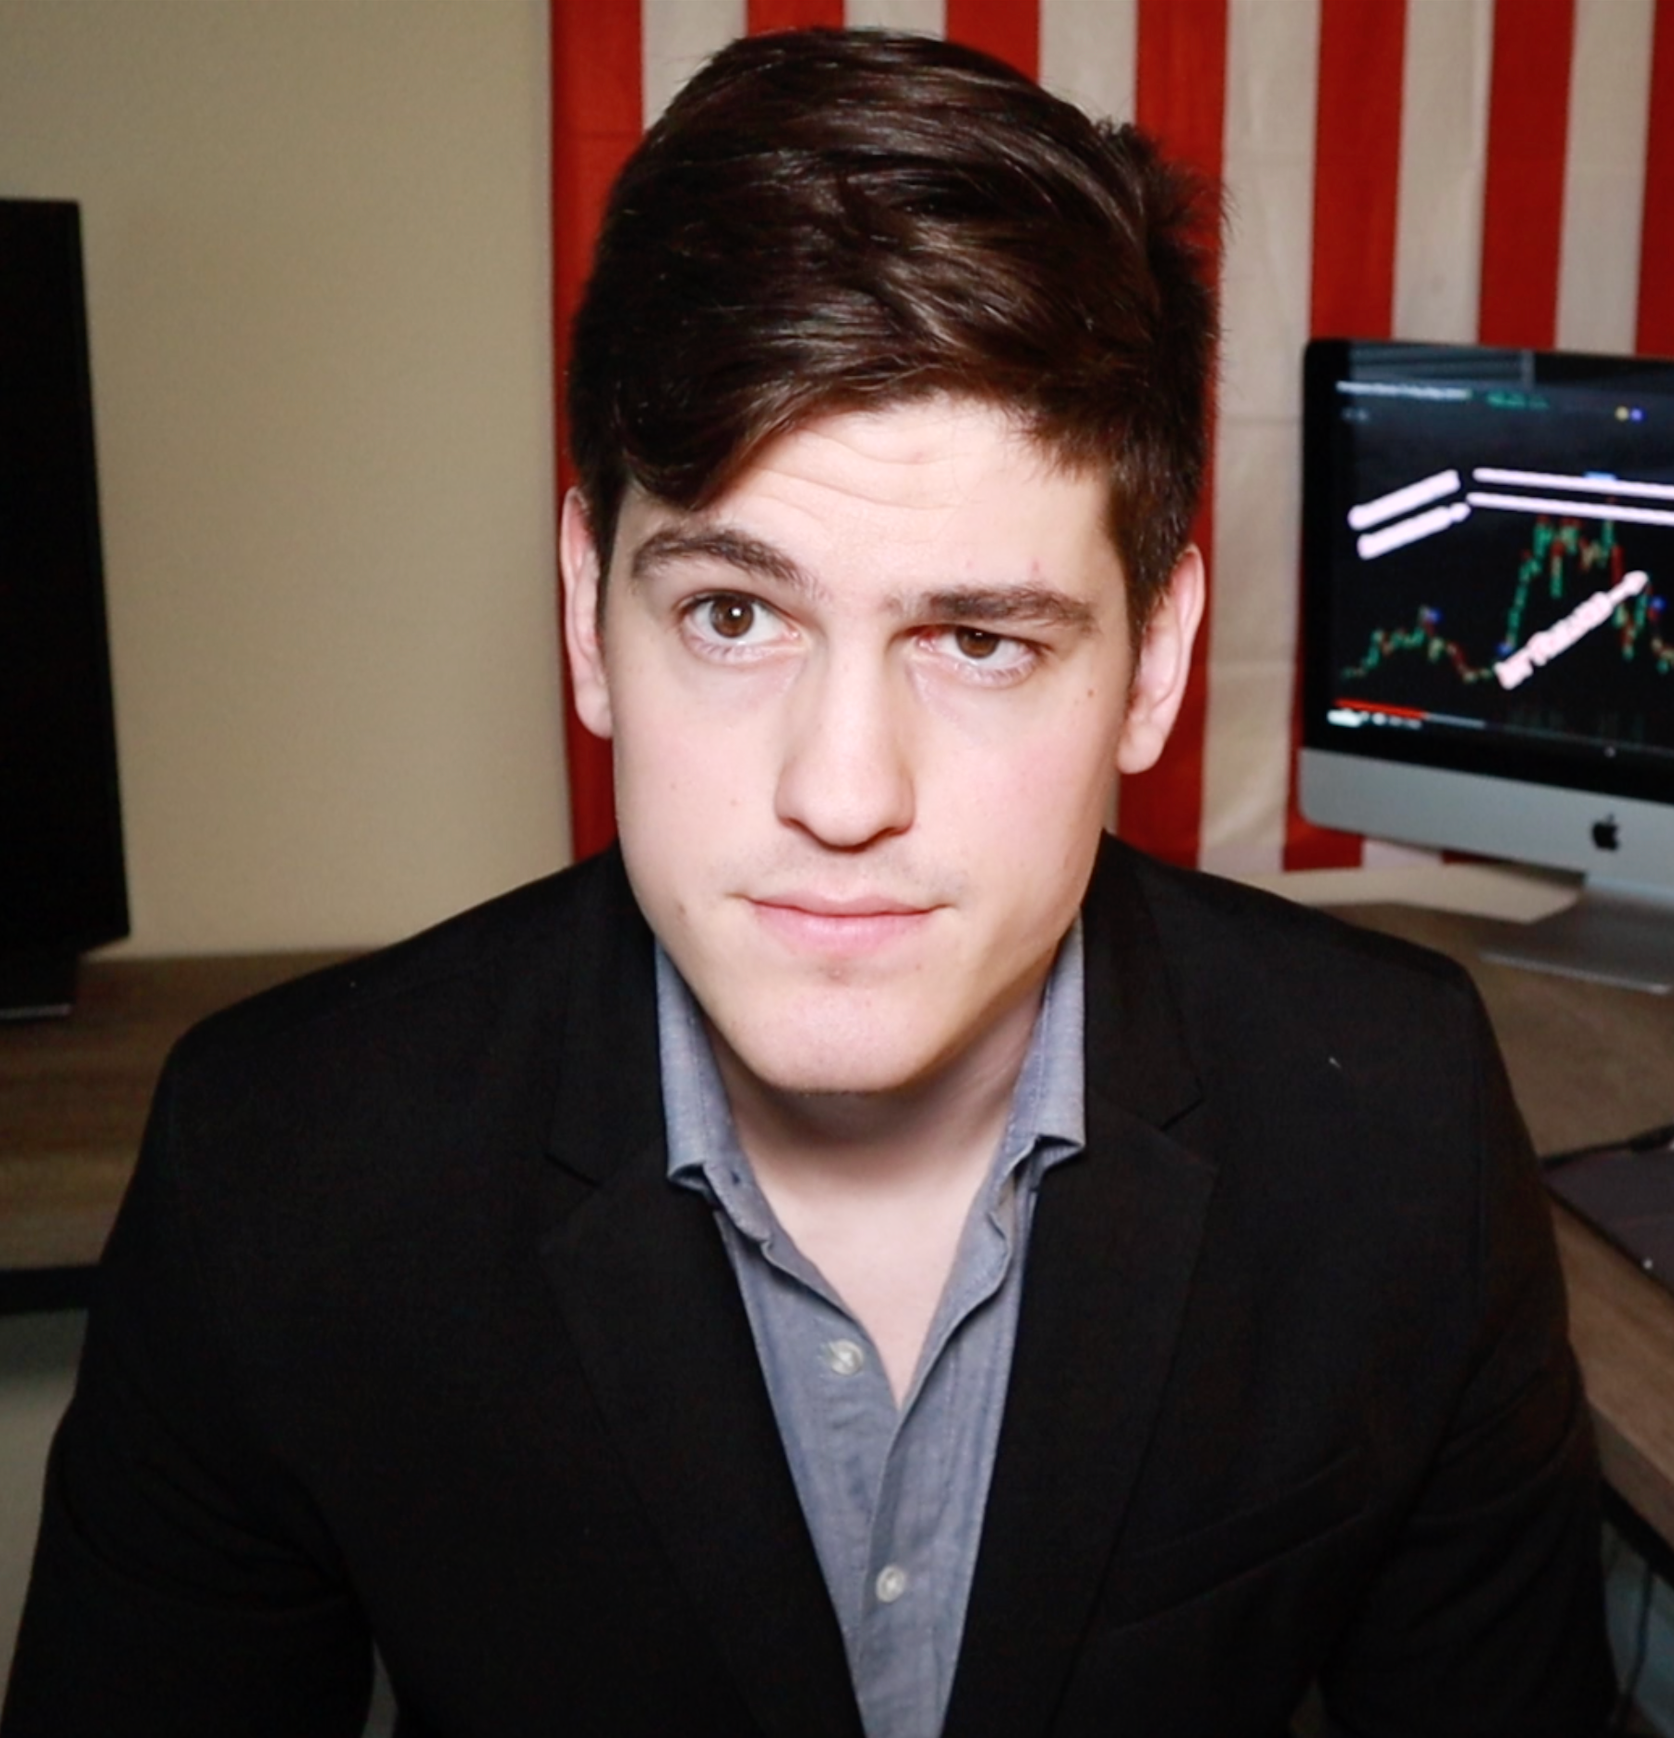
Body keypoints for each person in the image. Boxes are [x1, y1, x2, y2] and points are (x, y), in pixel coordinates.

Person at [4, 28, 1614, 1738]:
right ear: (587, 612)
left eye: (978, 639)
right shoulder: (279, 1178)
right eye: (732, 613)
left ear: (1152, 664)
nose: (840, 794)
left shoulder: (1395, 1120)